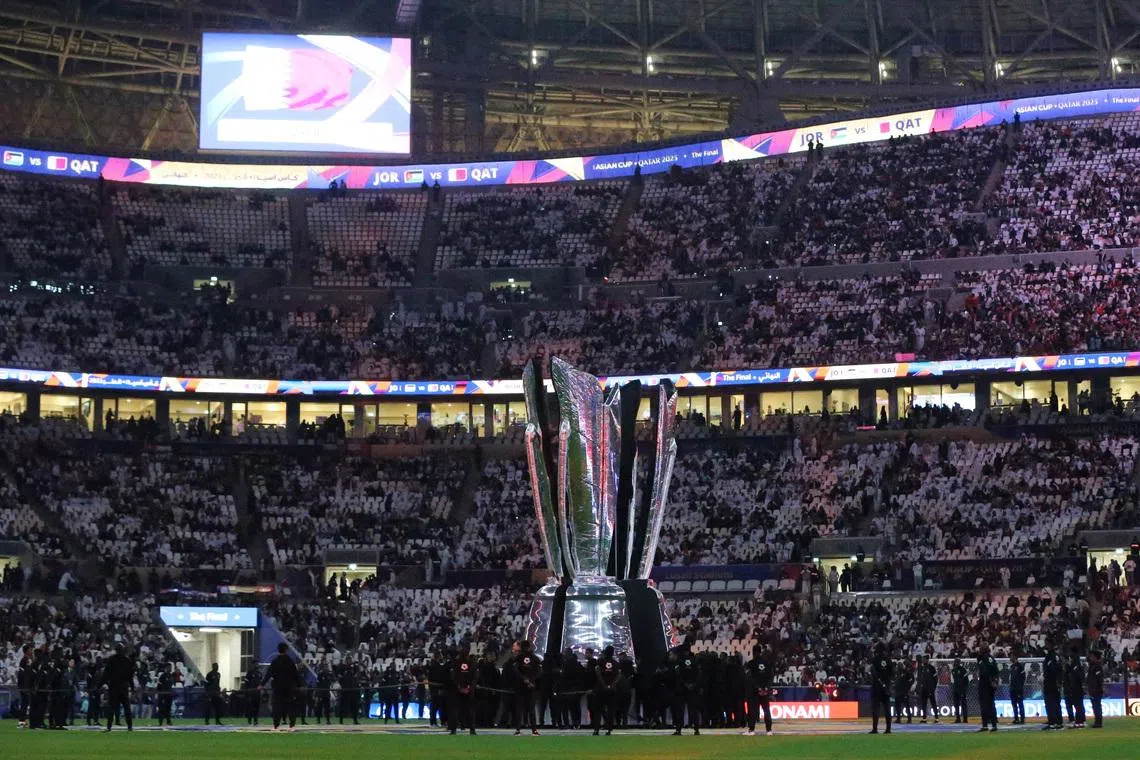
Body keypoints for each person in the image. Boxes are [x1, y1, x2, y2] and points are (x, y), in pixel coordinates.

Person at [262, 642, 302, 731]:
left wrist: (262, 684)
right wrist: (300, 685)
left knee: (277, 706)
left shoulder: (275, 661)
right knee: (290, 706)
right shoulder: (290, 661)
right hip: (289, 687)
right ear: (286, 650)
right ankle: (292, 726)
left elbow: (268, 674)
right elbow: (296, 674)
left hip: (277, 687)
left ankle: (276, 726)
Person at [102, 644, 135, 732]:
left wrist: (100, 684)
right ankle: (130, 726)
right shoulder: (126, 660)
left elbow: (106, 674)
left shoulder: (112, 660)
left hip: (114, 687)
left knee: (112, 708)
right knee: (126, 708)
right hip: (123, 687)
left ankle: (109, 727)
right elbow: (130, 675)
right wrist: (132, 687)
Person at [512, 640, 541, 736]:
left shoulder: (519, 657)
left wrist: (524, 679)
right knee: (531, 709)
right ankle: (534, 730)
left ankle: (518, 730)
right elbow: (539, 671)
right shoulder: (534, 658)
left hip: (521, 686)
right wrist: (532, 681)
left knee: (520, 708)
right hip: (530, 686)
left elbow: (515, 670)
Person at [744, 643, 774, 736]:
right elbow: (771, 677)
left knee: (752, 710)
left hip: (755, 691)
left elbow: (750, 678)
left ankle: (751, 730)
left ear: (753, 652)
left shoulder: (751, 663)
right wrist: (766, 688)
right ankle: (769, 730)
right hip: (765, 691)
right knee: (766, 710)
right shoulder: (767, 663)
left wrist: (758, 688)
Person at [672, 646, 703, 736]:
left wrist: (685, 684)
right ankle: (696, 729)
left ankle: (678, 729)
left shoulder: (679, 661)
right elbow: (699, 675)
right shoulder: (695, 661)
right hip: (693, 689)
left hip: (681, 689)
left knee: (680, 710)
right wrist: (694, 685)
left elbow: (678, 674)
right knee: (693, 710)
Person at [591, 646, 620, 735]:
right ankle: (609, 729)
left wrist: (603, 685)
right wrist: (612, 685)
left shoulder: (600, 661)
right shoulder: (615, 663)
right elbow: (618, 675)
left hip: (601, 689)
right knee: (610, 710)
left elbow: (598, 673)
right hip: (612, 690)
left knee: (598, 710)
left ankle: (596, 729)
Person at [449, 649, 478, 735]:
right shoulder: (472, 664)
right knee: (470, 711)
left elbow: (453, 677)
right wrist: (469, 688)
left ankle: (453, 729)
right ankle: (472, 730)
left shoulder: (455, 663)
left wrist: (460, 687)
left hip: (458, 691)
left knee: (456, 711)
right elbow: (475, 678)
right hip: (468, 692)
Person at [869, 642, 893, 734]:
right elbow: (892, 673)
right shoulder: (888, 659)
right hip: (886, 687)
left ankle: (875, 729)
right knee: (887, 708)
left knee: (875, 708)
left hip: (877, 687)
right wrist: (888, 683)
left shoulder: (875, 659)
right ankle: (888, 729)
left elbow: (873, 672)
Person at [976, 644, 999, 732]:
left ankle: (985, 725)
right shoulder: (992, 658)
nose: (979, 650)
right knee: (991, 704)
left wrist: (988, 680)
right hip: (992, 684)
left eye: (981, 649)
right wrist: (995, 682)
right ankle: (994, 724)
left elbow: (983, 671)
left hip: (985, 683)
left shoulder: (982, 658)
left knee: (984, 705)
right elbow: (996, 671)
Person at [1042, 642, 1064, 730]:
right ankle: (1058, 721)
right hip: (1055, 684)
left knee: (1050, 703)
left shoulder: (1050, 657)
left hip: (1050, 684)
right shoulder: (1056, 657)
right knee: (1056, 703)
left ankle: (1052, 722)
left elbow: (1052, 671)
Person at [1064, 649, 1085, 728]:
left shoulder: (1076, 667)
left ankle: (1080, 721)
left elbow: (1079, 677)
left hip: (1076, 689)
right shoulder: (1074, 667)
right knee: (1078, 705)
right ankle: (1079, 720)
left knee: (1078, 705)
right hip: (1074, 689)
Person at [1086, 650, 1104, 729]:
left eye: (1092, 656)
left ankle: (1098, 722)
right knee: (1095, 706)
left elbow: (1098, 679)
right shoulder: (1093, 666)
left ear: (1096, 658)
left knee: (1097, 706)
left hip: (1096, 690)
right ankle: (1097, 722)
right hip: (1093, 689)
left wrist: (1097, 688)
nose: (1090, 658)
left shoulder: (1097, 667)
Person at [917, 655, 938, 723]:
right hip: (923, 689)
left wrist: (933, 687)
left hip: (930, 689)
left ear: (927, 660)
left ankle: (936, 718)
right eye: (922, 659)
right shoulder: (921, 668)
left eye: (924, 659)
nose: (923, 660)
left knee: (933, 703)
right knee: (923, 703)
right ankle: (924, 718)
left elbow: (936, 679)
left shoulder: (931, 668)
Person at [893, 656, 913, 724]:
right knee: (897, 706)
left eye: (900, 665)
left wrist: (908, 687)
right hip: (898, 692)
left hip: (904, 692)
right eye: (898, 666)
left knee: (907, 706)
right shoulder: (896, 673)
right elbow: (895, 681)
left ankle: (909, 719)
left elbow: (911, 680)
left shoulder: (906, 672)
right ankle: (898, 719)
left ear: (902, 666)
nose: (899, 667)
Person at [1009, 653, 1026, 725]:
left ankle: (1022, 719)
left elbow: (1023, 677)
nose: (1010, 658)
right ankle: (1016, 718)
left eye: (1011, 656)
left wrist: (1020, 686)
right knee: (1014, 704)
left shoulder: (1020, 666)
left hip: (1018, 689)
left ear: (1015, 657)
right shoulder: (1012, 666)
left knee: (1020, 703)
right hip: (1012, 688)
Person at [951, 658, 969, 724]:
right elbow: (953, 681)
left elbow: (966, 681)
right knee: (956, 705)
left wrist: (964, 689)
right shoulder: (953, 670)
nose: (955, 663)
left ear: (959, 662)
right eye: (955, 662)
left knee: (963, 704)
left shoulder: (963, 670)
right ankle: (958, 718)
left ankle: (965, 719)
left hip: (962, 690)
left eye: (957, 662)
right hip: (955, 689)